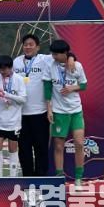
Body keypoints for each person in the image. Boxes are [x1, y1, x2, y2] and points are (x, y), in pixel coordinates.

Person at [45, 40, 87, 187]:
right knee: (58, 146)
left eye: (56, 54)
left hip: (76, 111)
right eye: (52, 54)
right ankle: (59, 177)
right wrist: (49, 109)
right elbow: (47, 88)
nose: (54, 57)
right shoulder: (50, 65)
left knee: (79, 143)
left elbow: (84, 85)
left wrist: (71, 88)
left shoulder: (77, 66)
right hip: (59, 112)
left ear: (64, 53)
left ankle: (78, 178)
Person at [14, 34, 52, 176]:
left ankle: (41, 177)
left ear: (38, 47)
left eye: (31, 44)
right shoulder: (16, 62)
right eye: (25, 44)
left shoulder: (45, 59)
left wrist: (71, 59)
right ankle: (27, 177)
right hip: (21, 114)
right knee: (24, 148)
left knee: (41, 147)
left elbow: (63, 55)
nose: (28, 47)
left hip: (40, 113)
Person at [0, 55, 27, 177]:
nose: (2, 71)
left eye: (4, 69)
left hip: (14, 121)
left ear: (11, 67)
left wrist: (7, 94)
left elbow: (23, 100)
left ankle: (12, 177)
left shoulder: (19, 79)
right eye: (0, 69)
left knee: (13, 148)